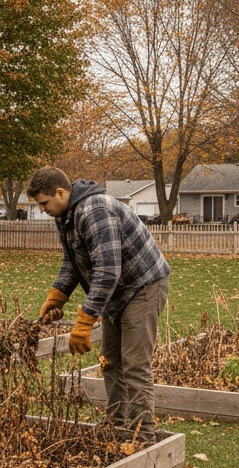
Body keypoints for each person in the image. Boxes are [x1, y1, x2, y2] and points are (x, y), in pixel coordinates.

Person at [29, 167, 171, 443]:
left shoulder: (94, 210)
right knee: (110, 361)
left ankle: (143, 434)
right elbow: (73, 262)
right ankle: (118, 424)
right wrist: (56, 297)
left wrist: (85, 321)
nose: (42, 210)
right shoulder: (66, 215)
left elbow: (107, 271)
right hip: (115, 292)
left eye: (44, 203)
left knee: (134, 363)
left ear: (60, 193)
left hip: (142, 285)